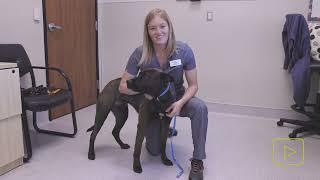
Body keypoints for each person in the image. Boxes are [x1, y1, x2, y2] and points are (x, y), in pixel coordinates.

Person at [119, 8, 208, 180]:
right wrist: (146, 93)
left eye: (162, 26)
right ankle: (164, 129)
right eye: (152, 28)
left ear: (169, 27)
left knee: (200, 108)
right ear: (147, 31)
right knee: (153, 151)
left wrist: (180, 103)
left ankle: (198, 159)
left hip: (177, 98)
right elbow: (123, 86)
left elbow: (194, 85)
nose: (158, 32)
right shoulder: (140, 53)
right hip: (152, 104)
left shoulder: (184, 51)